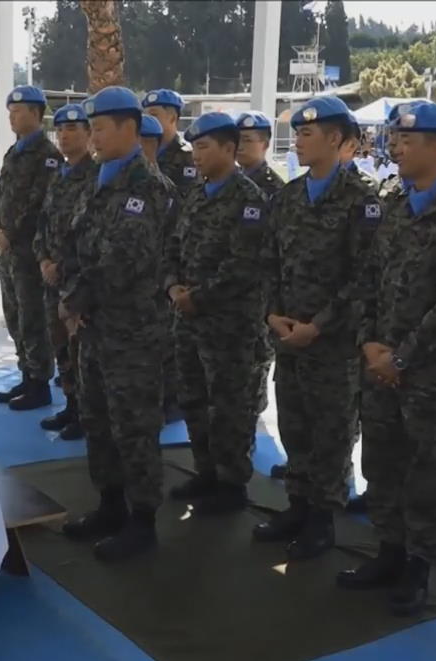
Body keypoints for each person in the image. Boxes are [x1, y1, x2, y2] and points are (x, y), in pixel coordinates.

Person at [341, 102, 436, 616]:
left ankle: (420, 569)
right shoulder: (395, 209)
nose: (395, 148)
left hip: (429, 377)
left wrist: (400, 360)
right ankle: (388, 551)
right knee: (381, 464)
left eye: (407, 140)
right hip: (381, 366)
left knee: (428, 472)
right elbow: (368, 284)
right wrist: (368, 343)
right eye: (394, 139)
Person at [254, 97, 381, 560]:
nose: (300, 140)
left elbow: (365, 277)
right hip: (289, 339)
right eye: (298, 132)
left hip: (333, 346)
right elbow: (268, 262)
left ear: (337, 140)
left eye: (310, 133)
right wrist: (273, 313)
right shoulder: (287, 197)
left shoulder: (361, 202)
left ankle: (323, 517)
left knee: (331, 432)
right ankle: (298, 505)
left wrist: (320, 325)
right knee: (294, 425)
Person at [58, 87, 168, 563]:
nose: (93, 136)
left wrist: (75, 297)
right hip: (95, 328)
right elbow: (74, 241)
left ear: (128, 127)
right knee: (97, 420)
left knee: (134, 427)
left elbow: (123, 259)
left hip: (133, 332)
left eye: (100, 127)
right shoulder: (98, 183)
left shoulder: (148, 188)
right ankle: (109, 505)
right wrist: (71, 293)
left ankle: (142, 522)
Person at [163, 112, 269, 515]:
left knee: (230, 408)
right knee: (193, 399)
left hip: (230, 329)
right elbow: (172, 246)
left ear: (229, 149)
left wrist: (198, 297)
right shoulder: (196, 194)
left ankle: (232, 484)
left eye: (204, 148)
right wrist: (173, 287)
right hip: (188, 323)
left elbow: (243, 267)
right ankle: (205, 471)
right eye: (193, 149)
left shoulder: (249, 202)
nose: (196, 157)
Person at [0, 85, 61, 411]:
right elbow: (0, 195)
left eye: (18, 112)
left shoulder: (47, 157)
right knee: (15, 315)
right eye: (10, 113)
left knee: (33, 317)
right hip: (8, 253)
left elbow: (39, 205)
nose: (12, 118)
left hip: (29, 252)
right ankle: (26, 375)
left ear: (36, 113)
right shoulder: (14, 152)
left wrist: (12, 234)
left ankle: (40, 382)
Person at [35, 104, 96, 441]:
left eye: (74, 130)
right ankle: (71, 406)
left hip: (74, 281)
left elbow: (88, 234)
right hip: (51, 281)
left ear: (88, 135)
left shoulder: (96, 177)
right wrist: (43, 260)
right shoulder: (59, 175)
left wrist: (63, 266)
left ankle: (85, 414)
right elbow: (43, 225)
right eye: (61, 130)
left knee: (79, 351)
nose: (65, 135)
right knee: (61, 349)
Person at [235, 110, 284, 421]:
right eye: (238, 139)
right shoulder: (230, 183)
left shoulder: (274, 189)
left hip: (257, 299)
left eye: (249, 140)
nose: (241, 145)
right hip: (229, 299)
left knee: (251, 381)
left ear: (265, 143)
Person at [140, 113, 185, 426]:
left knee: (162, 350)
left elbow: (170, 242)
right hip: (134, 292)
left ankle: (169, 402)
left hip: (156, 288)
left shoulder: (162, 189)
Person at [142, 88, 197, 194]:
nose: (148, 120)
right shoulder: (139, 151)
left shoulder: (188, 156)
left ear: (172, 118)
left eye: (154, 115)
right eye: (145, 115)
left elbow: (186, 198)